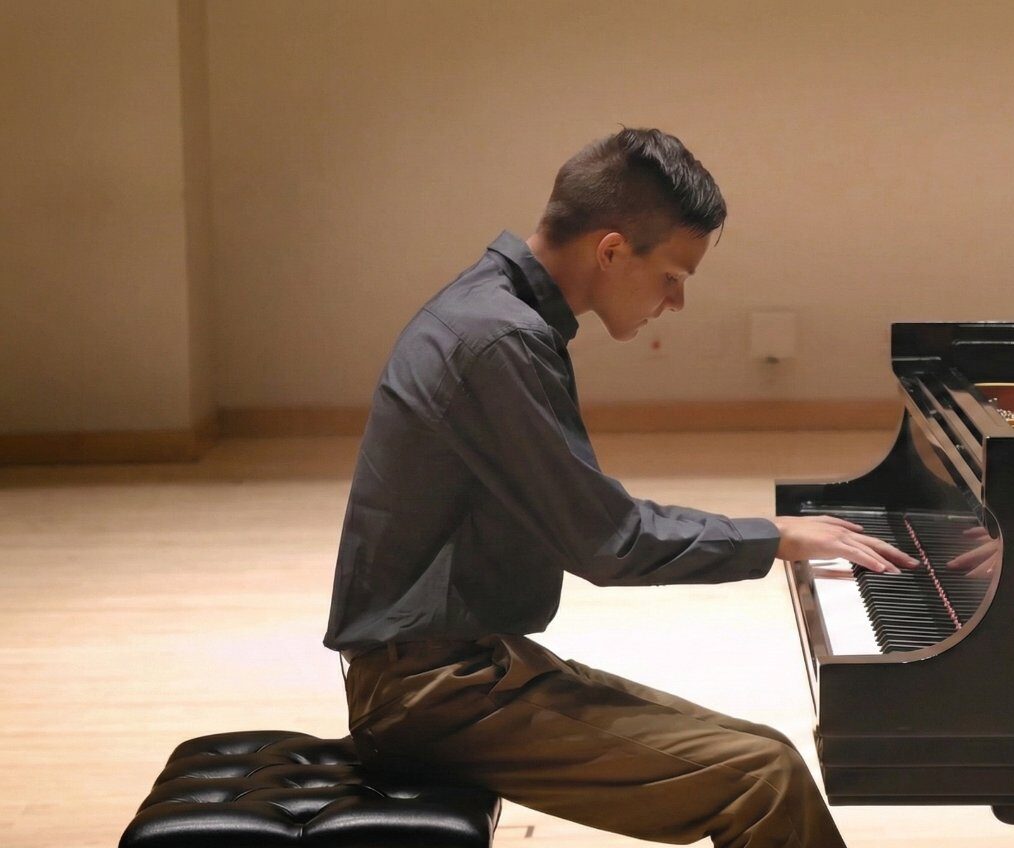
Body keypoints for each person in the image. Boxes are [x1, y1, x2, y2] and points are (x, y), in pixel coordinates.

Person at [322, 127, 916, 848]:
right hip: (433, 694)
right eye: (673, 277)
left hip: (462, 665)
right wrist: (777, 538)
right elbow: (608, 543)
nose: (676, 303)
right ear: (610, 250)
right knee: (763, 776)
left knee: (765, 756)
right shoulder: (498, 341)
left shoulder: (494, 310)